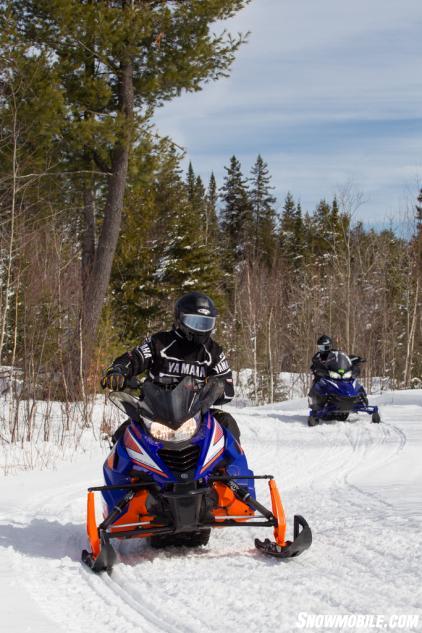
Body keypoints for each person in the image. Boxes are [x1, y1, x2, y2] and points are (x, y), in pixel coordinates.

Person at [101, 291, 241, 444]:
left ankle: (235, 468)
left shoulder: (213, 351)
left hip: (196, 415)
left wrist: (215, 387)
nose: (201, 329)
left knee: (227, 423)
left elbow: (227, 387)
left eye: (206, 323)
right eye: (195, 322)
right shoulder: (159, 343)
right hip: (154, 415)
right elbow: (135, 357)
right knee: (121, 438)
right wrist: (118, 370)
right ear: (179, 319)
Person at [309, 334, 367, 405]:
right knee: (318, 383)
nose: (323, 349)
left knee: (352, 380)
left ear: (330, 346)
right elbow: (314, 362)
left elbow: (344, 358)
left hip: (336, 374)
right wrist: (315, 367)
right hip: (325, 374)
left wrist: (356, 359)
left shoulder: (335, 354)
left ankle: (361, 398)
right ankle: (316, 403)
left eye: (326, 347)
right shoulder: (317, 356)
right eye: (321, 347)